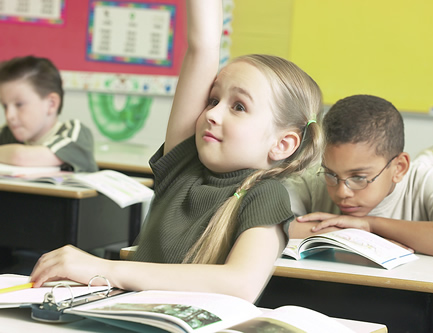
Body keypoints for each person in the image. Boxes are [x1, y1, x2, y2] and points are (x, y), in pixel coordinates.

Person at [29, 0, 323, 303]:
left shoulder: (265, 194)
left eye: (238, 107)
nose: (212, 114)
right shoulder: (184, 165)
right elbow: (203, 45)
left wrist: (105, 268)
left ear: (282, 144)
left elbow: (242, 283)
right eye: (212, 100)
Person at [286, 94, 433, 260]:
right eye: (331, 174)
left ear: (399, 168)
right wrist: (357, 236)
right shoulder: (311, 179)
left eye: (359, 177)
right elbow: (270, 227)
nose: (342, 191)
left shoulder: (427, 179)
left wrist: (369, 225)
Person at [0, 55, 98, 172]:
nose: (9, 115)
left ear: (51, 104)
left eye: (19, 104)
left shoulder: (75, 133)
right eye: (5, 106)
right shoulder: (7, 133)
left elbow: (20, 157)